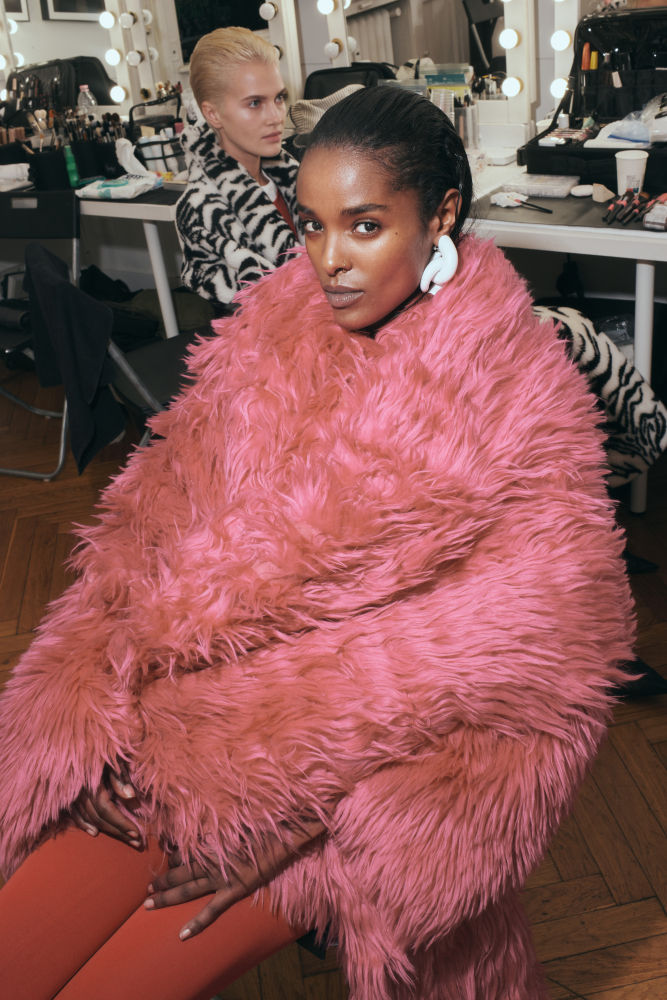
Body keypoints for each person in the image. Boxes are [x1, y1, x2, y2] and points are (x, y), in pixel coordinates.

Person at [0, 86, 634, 999]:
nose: (328, 261)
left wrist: (304, 827)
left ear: (440, 215)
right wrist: (86, 700)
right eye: (311, 226)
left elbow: (550, 672)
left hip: (318, 809)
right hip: (153, 737)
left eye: (365, 226)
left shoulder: (517, 401)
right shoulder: (270, 330)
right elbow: (146, 522)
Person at [175, 26, 301, 310]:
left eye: (279, 98)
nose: (276, 117)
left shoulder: (296, 177)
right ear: (213, 114)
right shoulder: (201, 211)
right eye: (255, 103)